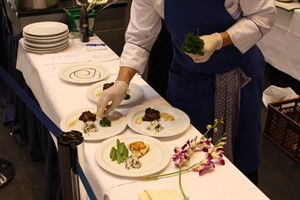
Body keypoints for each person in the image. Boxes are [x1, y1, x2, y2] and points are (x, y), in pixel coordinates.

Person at [97, 0, 277, 185]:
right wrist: (122, 82)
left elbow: (263, 17)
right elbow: (139, 38)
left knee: (240, 156)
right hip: (187, 78)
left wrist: (219, 39)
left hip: (236, 78)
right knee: (183, 153)